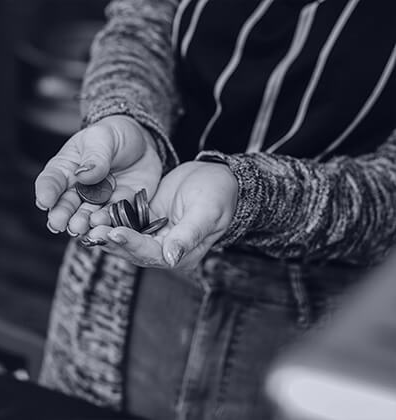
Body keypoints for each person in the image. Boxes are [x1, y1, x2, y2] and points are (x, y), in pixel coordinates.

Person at [34, 1, 396, 419]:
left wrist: (249, 195)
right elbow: (142, 21)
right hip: (121, 266)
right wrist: (124, 114)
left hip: (317, 324)